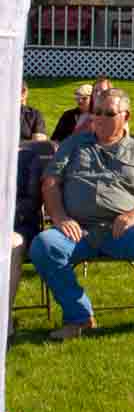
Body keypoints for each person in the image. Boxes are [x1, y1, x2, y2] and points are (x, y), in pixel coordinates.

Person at [31, 88, 134, 341]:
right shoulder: (73, 145)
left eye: (109, 113)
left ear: (126, 116)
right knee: (44, 246)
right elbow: (50, 182)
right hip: (78, 229)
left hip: (125, 229)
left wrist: (133, 216)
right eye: (97, 112)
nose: (100, 118)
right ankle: (80, 317)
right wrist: (60, 217)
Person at [8, 140, 58, 342]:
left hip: (18, 226)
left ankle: (4, 318)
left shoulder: (28, 159)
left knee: (11, 246)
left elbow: (31, 204)